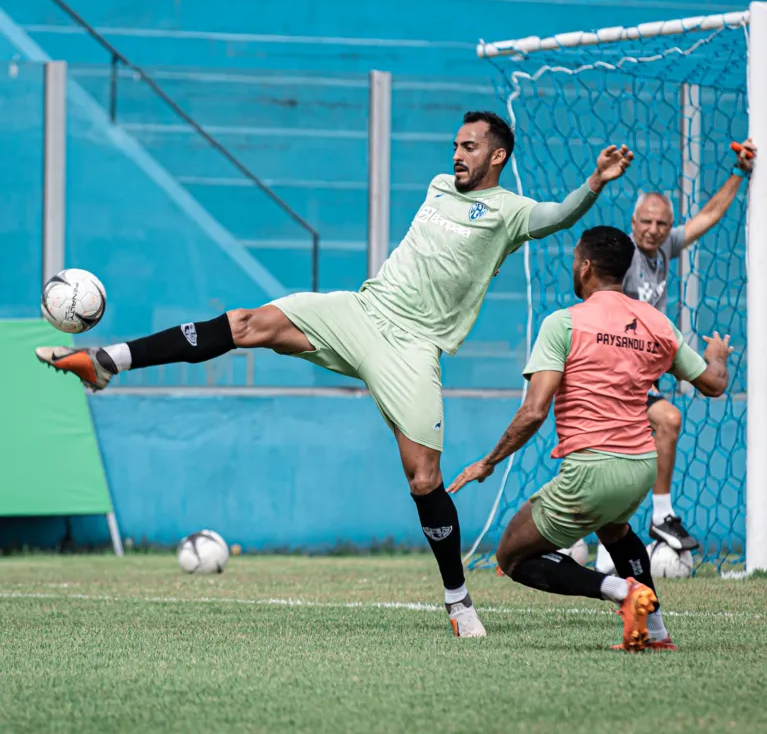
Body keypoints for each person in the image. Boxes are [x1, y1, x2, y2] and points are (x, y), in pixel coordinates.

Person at [35, 112, 634, 638]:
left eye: (470, 146)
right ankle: (108, 360)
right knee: (247, 323)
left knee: (424, 478)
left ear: (497, 156)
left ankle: (458, 601)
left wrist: (595, 183)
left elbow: (559, 215)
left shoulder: (511, 212)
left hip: (414, 347)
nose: (457, 153)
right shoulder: (436, 186)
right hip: (361, 311)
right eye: (455, 144)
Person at [448, 226, 731, 651]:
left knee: (511, 556)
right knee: (615, 530)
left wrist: (489, 462)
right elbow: (713, 383)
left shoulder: (565, 323)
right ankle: (655, 632)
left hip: (591, 470)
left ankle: (619, 591)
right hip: (640, 467)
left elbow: (534, 411)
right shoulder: (656, 322)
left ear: (584, 266)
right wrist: (718, 356)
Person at [620, 139, 756, 553]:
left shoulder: (664, 250)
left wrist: (740, 172)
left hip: (643, 375)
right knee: (654, 430)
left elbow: (710, 216)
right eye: (646, 221)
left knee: (650, 438)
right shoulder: (621, 256)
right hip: (616, 372)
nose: (653, 230)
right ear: (633, 221)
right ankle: (651, 519)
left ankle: (641, 530)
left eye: (661, 224)